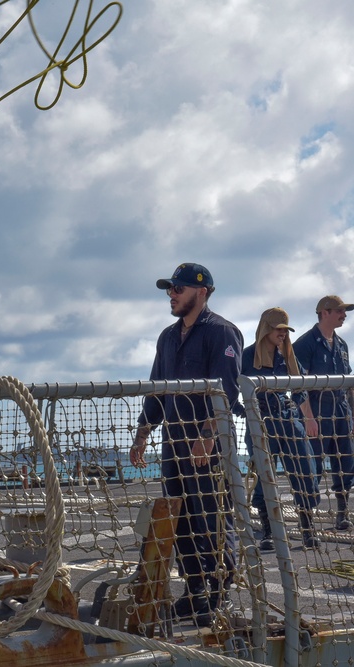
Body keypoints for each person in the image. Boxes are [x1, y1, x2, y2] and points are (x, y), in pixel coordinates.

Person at [129, 263, 243, 628]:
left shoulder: (222, 333)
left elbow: (225, 389)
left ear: (202, 291)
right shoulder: (167, 337)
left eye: (178, 288)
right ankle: (193, 591)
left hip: (208, 446)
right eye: (170, 289)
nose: (172, 294)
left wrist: (207, 437)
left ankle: (217, 592)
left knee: (212, 519)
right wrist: (143, 433)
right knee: (179, 520)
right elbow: (156, 389)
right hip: (174, 445)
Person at [241, 307, 321, 550]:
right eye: (279, 329)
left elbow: (301, 387)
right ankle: (267, 531)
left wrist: (293, 406)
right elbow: (234, 390)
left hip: (288, 420)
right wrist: (247, 411)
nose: (284, 334)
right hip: (260, 423)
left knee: (305, 469)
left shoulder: (288, 356)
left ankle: (307, 528)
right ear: (266, 329)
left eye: (286, 330)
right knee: (264, 477)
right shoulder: (246, 357)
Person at [293, 295, 354, 531]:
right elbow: (298, 385)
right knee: (312, 467)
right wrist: (308, 418)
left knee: (345, 463)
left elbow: (348, 383)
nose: (344, 315)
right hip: (316, 409)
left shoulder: (341, 345)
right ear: (325, 312)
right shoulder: (305, 344)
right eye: (340, 311)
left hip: (340, 410)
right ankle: (306, 519)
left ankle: (342, 512)